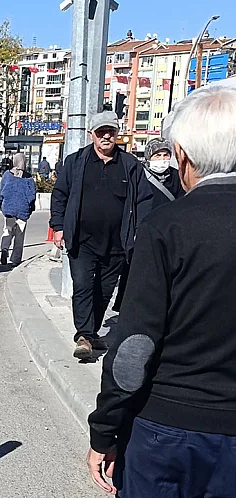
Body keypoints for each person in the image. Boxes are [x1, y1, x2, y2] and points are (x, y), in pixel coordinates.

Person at [87, 86, 236, 498]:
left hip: (169, 430)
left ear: (183, 156)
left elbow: (134, 347)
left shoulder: (166, 227)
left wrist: (105, 430)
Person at [50, 110, 152, 360]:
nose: (106, 136)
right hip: (81, 241)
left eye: (111, 131)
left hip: (117, 243)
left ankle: (91, 331)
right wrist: (58, 226)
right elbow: (60, 195)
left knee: (105, 290)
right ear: (91, 135)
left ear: (118, 134)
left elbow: (144, 200)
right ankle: (84, 335)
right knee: (83, 286)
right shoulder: (75, 163)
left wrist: (140, 231)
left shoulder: (130, 166)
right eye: (101, 132)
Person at [112, 138, 185, 312]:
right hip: (142, 233)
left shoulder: (177, 177)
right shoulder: (140, 175)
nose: (162, 159)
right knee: (136, 274)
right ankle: (129, 309)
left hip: (169, 235)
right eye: (157, 155)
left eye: (165, 154)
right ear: (149, 156)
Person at [0, 153, 36, 266]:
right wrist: (30, 208)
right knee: (19, 235)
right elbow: (32, 195)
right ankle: (15, 259)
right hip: (23, 209)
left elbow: (1, 193)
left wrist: (2, 205)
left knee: (7, 231)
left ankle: (4, 249)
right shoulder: (28, 178)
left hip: (9, 209)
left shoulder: (7, 175)